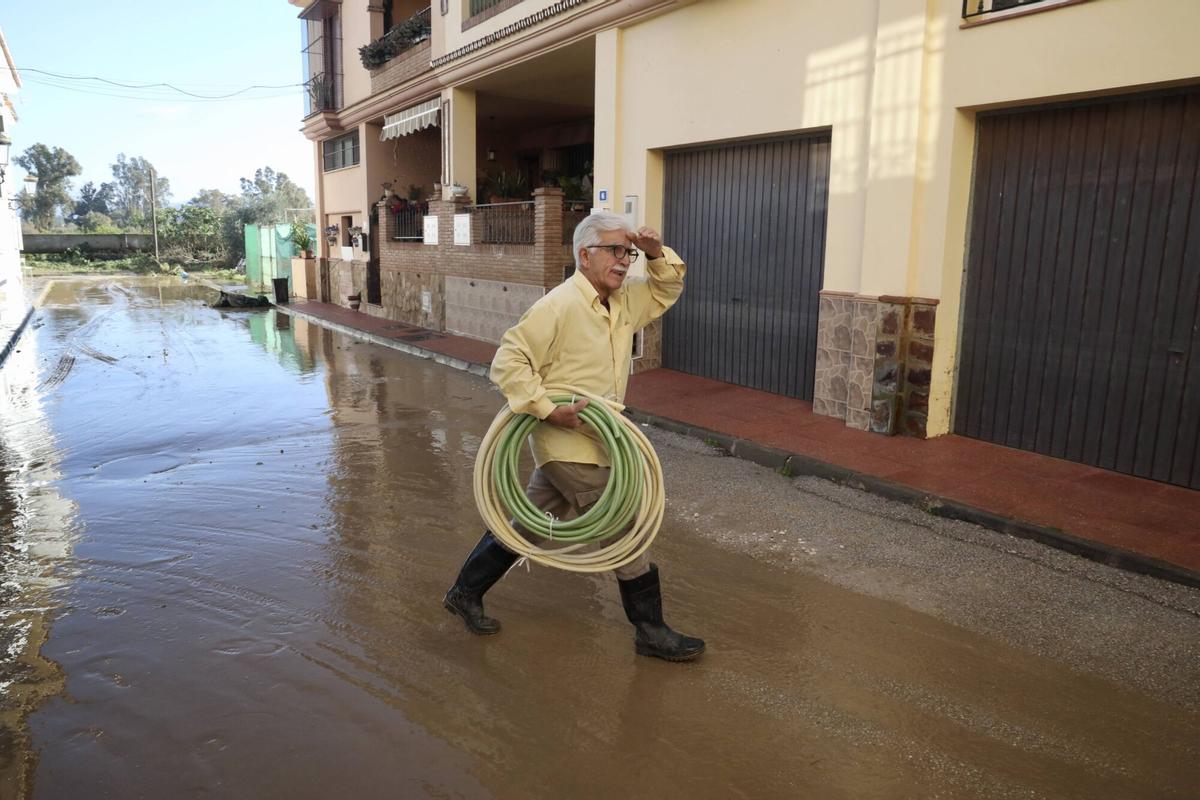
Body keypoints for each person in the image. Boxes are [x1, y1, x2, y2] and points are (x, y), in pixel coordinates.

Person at [444, 211, 705, 662]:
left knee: (529, 524)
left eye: (629, 252)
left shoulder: (622, 301)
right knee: (625, 527)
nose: (625, 261)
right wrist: (548, 410)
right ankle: (650, 630)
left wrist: (657, 253)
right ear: (585, 255)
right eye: (615, 251)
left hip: (601, 440)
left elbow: (667, 288)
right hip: (568, 445)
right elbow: (508, 362)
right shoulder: (558, 305)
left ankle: (464, 592)